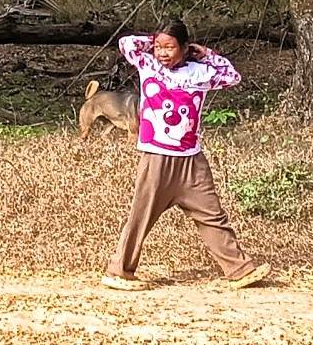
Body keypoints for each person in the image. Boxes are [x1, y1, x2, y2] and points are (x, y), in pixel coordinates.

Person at [101, 20, 270, 292]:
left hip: (192, 160)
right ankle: (119, 271)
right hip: (157, 157)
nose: (163, 53)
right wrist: (152, 40)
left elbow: (231, 76)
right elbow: (126, 44)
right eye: (159, 47)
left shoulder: (200, 72)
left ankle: (239, 270)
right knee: (140, 216)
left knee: (212, 215)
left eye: (170, 47)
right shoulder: (148, 64)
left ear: (184, 48)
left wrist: (207, 54)